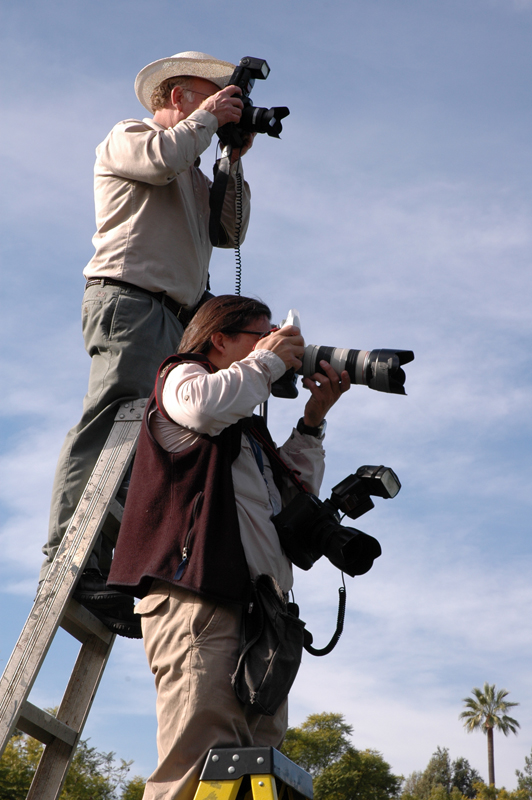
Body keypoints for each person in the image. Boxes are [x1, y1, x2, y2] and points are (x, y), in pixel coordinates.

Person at [39, 52, 253, 632]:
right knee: (111, 424)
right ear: (179, 96)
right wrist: (211, 118)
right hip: (130, 300)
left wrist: (234, 156)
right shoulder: (130, 137)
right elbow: (162, 158)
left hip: (177, 319)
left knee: (149, 448)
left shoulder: (195, 170)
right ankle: (68, 560)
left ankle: (104, 565)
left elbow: (230, 232)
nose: (225, 104)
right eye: (214, 95)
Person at [106, 294, 351, 800]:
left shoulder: (244, 428)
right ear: (220, 338)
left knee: (249, 773)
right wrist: (269, 360)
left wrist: (312, 421)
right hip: (200, 602)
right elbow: (203, 404)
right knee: (197, 766)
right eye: (262, 336)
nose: (278, 350)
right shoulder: (182, 378)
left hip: (261, 613)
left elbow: (292, 498)